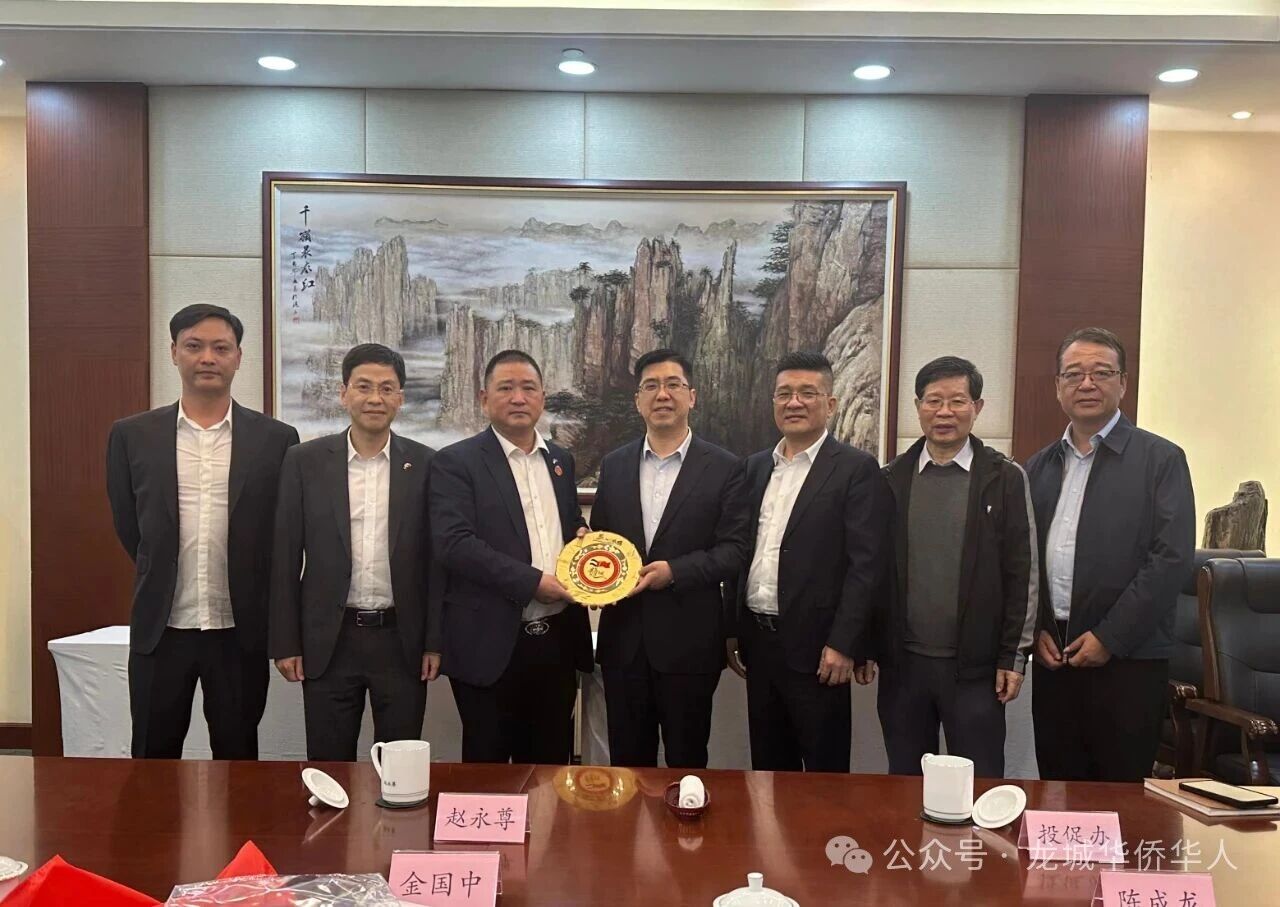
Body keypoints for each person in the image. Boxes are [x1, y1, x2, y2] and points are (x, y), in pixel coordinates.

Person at [106, 303, 298, 759]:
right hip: (162, 628)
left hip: (239, 631)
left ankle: (237, 816)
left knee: (238, 756)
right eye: (194, 346)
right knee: (153, 756)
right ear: (174, 352)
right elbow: (130, 525)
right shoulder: (132, 435)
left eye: (220, 348)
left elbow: (281, 535)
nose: (207, 357)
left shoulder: (276, 439)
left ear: (238, 357)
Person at [1026, 327, 1195, 782]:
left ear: (1123, 383)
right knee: (1058, 790)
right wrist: (1036, 629)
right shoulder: (1037, 467)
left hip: (1129, 660)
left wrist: (1110, 637)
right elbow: (1024, 561)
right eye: (1073, 374)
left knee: (1120, 796)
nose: (1087, 384)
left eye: (1101, 373)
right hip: (1055, 657)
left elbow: (1170, 559)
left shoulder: (1161, 460)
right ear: (1057, 386)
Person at [269, 343, 441, 761]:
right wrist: (285, 642)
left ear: (400, 398)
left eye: (386, 388)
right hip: (329, 639)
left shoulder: (426, 465)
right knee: (329, 764)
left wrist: (434, 642)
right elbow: (284, 556)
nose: (375, 398)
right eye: (363, 386)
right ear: (343, 393)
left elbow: (437, 564)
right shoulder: (304, 461)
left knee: (400, 766)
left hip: (401, 640)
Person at [727, 351, 892, 772]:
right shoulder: (754, 468)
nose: (794, 402)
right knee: (768, 770)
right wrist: (733, 630)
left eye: (807, 393)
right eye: (784, 394)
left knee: (824, 776)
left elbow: (866, 566)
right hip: (759, 644)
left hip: (820, 650)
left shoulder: (855, 469)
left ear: (830, 404)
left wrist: (844, 643)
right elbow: (740, 552)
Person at [873, 355, 1037, 778]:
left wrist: (1013, 656)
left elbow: (1023, 572)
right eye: (933, 401)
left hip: (976, 671)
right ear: (918, 407)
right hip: (904, 667)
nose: (944, 412)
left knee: (980, 786)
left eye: (957, 401)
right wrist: (867, 645)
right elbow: (873, 570)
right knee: (905, 783)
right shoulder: (891, 478)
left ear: (976, 407)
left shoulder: (1004, 478)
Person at [429, 349, 592, 764]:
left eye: (528, 388)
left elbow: (568, 522)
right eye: (506, 388)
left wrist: (583, 539)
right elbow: (455, 544)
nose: (518, 398)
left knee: (551, 767)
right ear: (484, 399)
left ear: (542, 397)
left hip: (557, 642)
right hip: (488, 644)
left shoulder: (560, 460)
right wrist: (533, 582)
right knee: (488, 771)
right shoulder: (455, 462)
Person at [591, 349, 750, 768]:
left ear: (691, 396)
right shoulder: (614, 465)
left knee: (687, 762)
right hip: (623, 643)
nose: (662, 394)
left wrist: (675, 572)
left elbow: (734, 551)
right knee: (627, 767)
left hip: (690, 644)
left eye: (673, 384)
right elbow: (605, 540)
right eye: (651, 386)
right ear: (638, 400)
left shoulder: (726, 468)